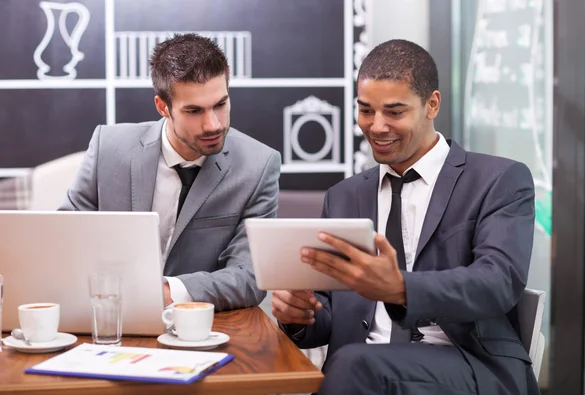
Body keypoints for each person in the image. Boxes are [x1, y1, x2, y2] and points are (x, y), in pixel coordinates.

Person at [273, 39, 539, 395]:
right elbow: (327, 320)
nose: (377, 126)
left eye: (395, 112)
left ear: (432, 104)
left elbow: (498, 282)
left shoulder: (498, 179)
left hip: (467, 364)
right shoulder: (343, 196)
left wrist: (400, 289)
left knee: (352, 364)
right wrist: (299, 316)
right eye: (366, 110)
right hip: (362, 368)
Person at [60, 33, 281, 311]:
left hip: (204, 329)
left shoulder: (259, 165)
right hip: (108, 319)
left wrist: (163, 293)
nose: (213, 124)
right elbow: (64, 242)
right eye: (193, 111)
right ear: (163, 107)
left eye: (220, 105)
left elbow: (250, 276)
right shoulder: (108, 147)